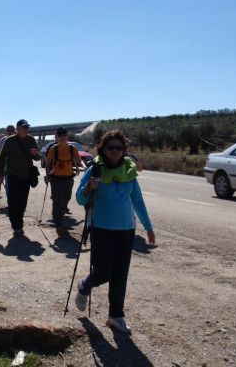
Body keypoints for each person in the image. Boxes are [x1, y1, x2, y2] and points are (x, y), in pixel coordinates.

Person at [74, 129, 155, 334]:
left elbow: (137, 200)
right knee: (103, 273)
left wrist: (148, 227)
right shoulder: (95, 170)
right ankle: (85, 285)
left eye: (119, 148)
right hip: (101, 228)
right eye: (111, 148)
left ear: (124, 150)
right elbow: (80, 199)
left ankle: (116, 316)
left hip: (126, 229)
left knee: (120, 274)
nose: (115, 151)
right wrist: (88, 188)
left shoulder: (129, 172)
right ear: (103, 149)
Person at [0, 119, 41, 237]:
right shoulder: (9, 141)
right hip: (12, 176)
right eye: (23, 128)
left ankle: (19, 225)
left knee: (22, 202)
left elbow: (38, 158)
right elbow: (1, 159)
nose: (26, 130)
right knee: (12, 202)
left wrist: (35, 154)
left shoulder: (31, 140)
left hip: (26, 176)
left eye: (27, 127)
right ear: (17, 129)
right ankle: (15, 226)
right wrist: (0, 175)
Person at [45, 127, 82, 236]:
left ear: (67, 136)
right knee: (58, 201)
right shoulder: (53, 149)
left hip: (69, 178)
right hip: (56, 179)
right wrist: (47, 176)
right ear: (57, 137)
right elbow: (48, 164)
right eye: (60, 136)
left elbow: (78, 160)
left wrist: (79, 165)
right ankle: (59, 226)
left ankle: (58, 217)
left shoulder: (72, 148)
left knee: (66, 200)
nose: (62, 138)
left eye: (64, 135)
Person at [0, 125, 17, 201]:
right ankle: (10, 201)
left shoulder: (19, 140)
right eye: (8, 130)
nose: (10, 132)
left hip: (17, 168)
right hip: (6, 168)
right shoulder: (3, 140)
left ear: (15, 130)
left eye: (12, 130)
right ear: (6, 131)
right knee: (8, 184)